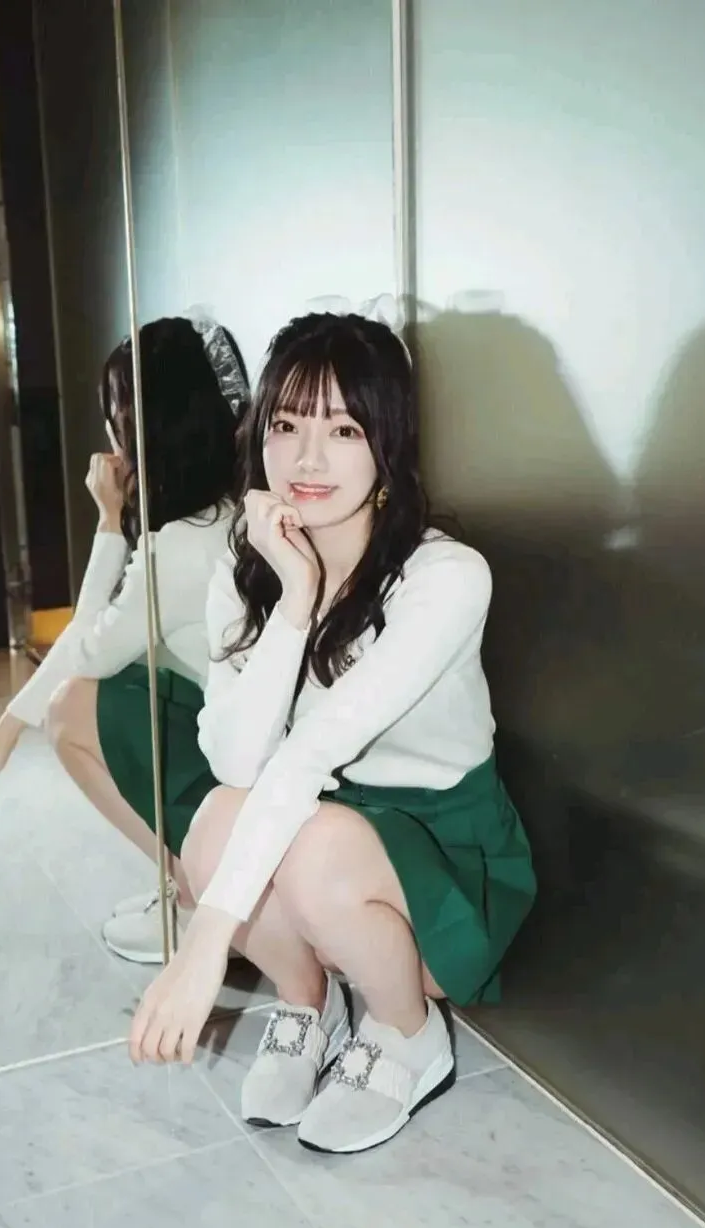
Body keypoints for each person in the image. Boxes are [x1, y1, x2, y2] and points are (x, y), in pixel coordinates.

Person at [125, 311, 537, 1155]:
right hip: (324, 828)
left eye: (343, 430)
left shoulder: (445, 576)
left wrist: (204, 944)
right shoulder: (248, 570)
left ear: (387, 442)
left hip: (444, 852)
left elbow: (309, 754)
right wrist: (293, 600)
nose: (307, 459)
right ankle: (306, 1005)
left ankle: (405, 1033)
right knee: (215, 823)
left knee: (306, 844)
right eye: (286, 426)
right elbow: (237, 762)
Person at [0, 317, 248, 961]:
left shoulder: (178, 547)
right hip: (249, 758)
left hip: (246, 780)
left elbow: (87, 649)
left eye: (117, 418)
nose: (112, 438)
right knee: (118, 684)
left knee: (73, 709)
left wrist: (108, 522)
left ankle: (201, 897)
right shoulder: (226, 513)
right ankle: (204, 884)